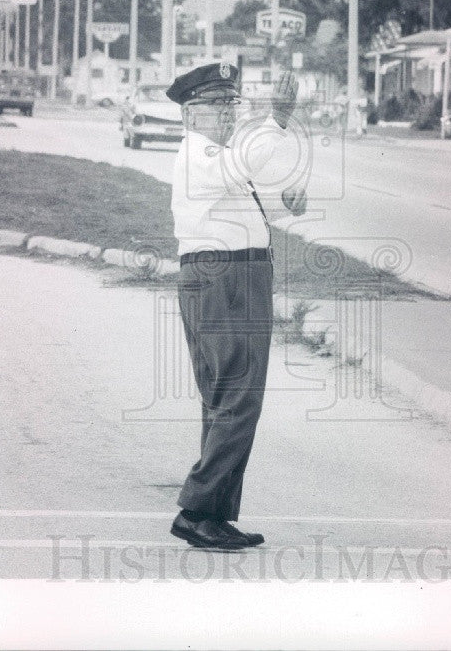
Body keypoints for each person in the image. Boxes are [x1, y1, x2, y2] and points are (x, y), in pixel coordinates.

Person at [166, 63, 306, 550]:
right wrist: (277, 120)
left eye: (232, 105)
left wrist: (285, 205)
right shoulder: (197, 153)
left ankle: (215, 514)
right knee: (239, 398)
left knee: (227, 400)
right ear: (190, 114)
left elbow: (246, 194)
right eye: (218, 106)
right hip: (220, 276)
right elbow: (245, 165)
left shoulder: (215, 155)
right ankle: (197, 509)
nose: (229, 114)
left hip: (237, 274)